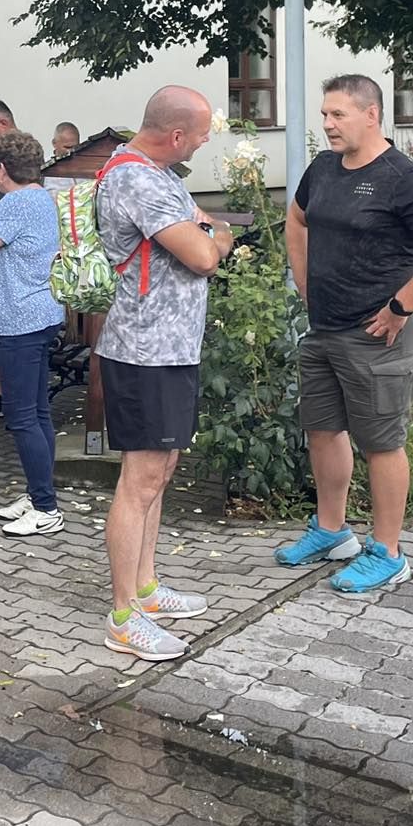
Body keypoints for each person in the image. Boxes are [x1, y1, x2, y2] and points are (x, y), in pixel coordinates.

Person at [275, 74, 413, 594]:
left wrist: (403, 304)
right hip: (325, 328)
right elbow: (296, 219)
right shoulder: (323, 168)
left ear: (371, 115)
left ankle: (387, 551)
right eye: (325, 114)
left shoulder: (402, 179)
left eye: (337, 114)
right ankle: (332, 532)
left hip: (377, 333)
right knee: (322, 430)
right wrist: (304, 280)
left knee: (381, 443)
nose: (327, 123)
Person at [96, 87, 234, 661]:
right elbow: (202, 253)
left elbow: (197, 227)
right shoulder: (138, 179)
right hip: (144, 351)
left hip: (170, 349)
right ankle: (123, 617)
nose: (203, 143)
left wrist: (205, 230)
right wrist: (217, 237)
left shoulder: (159, 173)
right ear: (176, 135)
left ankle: (147, 588)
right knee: (141, 480)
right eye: (200, 135)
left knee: (162, 469)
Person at [0, 130, 66, 536]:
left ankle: (47, 509)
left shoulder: (15, 203)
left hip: (20, 319)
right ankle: (39, 493)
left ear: (1, 169)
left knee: (21, 418)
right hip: (42, 312)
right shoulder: (44, 198)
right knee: (38, 412)